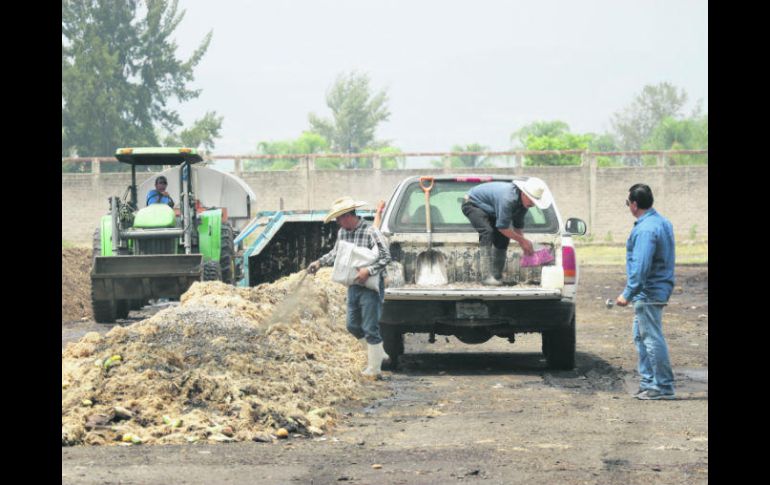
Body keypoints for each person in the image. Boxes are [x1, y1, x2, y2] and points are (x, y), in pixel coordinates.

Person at [307, 196, 392, 377]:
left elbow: (385, 257)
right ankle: (378, 352)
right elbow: (336, 253)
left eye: (339, 218)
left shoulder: (370, 231)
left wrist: (368, 271)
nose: (338, 222)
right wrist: (319, 263)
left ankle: (374, 369)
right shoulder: (343, 233)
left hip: (370, 286)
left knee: (370, 327)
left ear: (348, 216)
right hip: (353, 284)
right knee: (352, 325)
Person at [615, 183, 676, 400]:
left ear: (634, 204)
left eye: (627, 202)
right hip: (655, 288)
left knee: (651, 337)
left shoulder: (646, 229)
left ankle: (662, 387)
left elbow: (641, 267)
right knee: (641, 337)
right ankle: (649, 382)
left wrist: (628, 293)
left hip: (649, 291)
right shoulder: (661, 222)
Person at [461, 177, 552, 285]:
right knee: (487, 232)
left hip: (491, 209)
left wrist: (523, 243)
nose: (533, 204)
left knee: (503, 238)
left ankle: (496, 277)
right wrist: (523, 241)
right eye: (531, 200)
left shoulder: (524, 205)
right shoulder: (508, 199)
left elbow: (517, 226)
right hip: (472, 202)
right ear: (523, 194)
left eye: (535, 202)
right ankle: (486, 277)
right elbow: (502, 227)